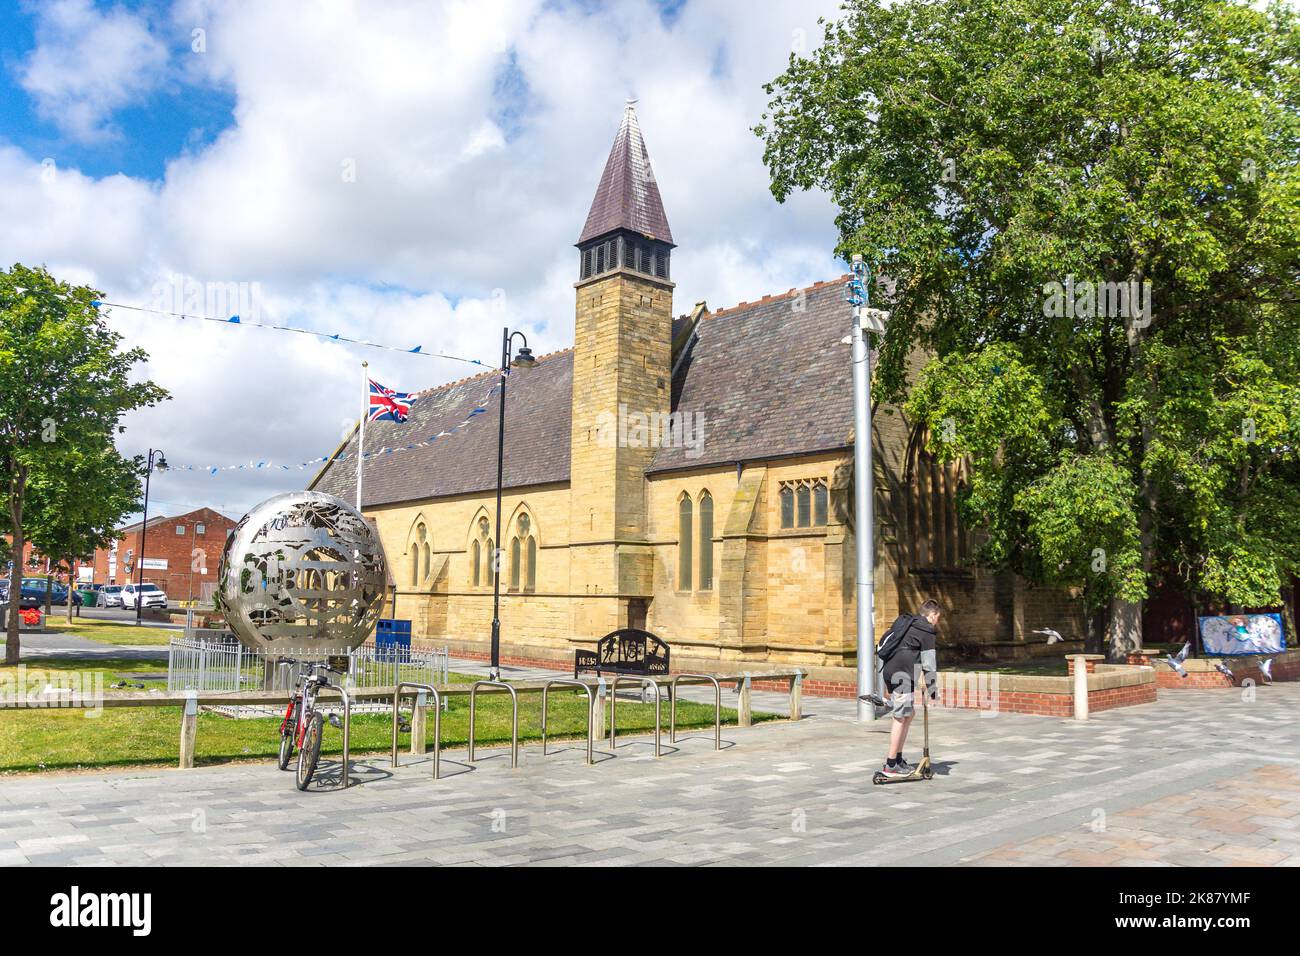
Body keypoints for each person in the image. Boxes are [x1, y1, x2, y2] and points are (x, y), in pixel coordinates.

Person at [863, 599, 941, 777]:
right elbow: (929, 663)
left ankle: (897, 758)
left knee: (909, 714)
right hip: (903, 675)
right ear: (933, 615)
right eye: (938, 617)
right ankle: (891, 764)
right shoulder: (927, 630)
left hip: (892, 671)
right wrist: (933, 689)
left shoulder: (908, 623)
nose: (938, 621)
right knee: (900, 717)